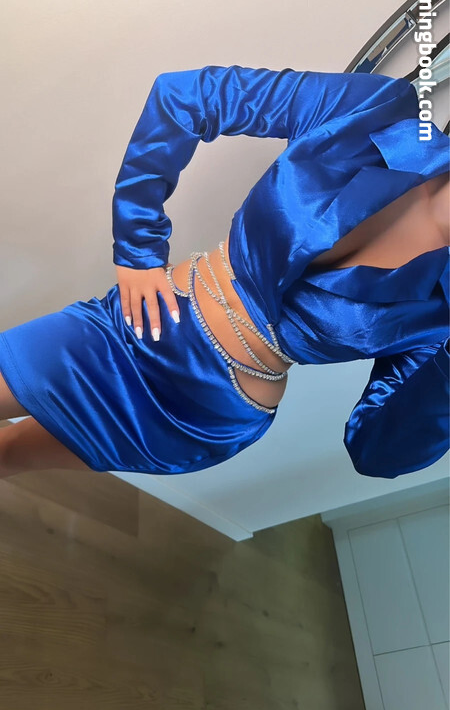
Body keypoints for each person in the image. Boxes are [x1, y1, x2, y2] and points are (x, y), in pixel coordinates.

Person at [0, 65, 448, 479]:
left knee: (7, 456)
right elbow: (188, 96)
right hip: (134, 330)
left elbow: (377, 451)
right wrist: (138, 247)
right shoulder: (378, 108)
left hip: (203, 417)